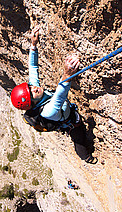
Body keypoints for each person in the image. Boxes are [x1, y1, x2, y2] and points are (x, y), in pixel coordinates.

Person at [11, 26, 97, 164]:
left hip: (67, 110)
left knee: (78, 131)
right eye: (31, 93)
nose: (34, 88)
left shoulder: (35, 91)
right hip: (71, 122)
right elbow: (59, 96)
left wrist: (33, 45)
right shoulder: (47, 112)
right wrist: (66, 75)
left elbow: (33, 68)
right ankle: (86, 157)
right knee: (78, 138)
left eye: (30, 86)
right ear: (32, 104)